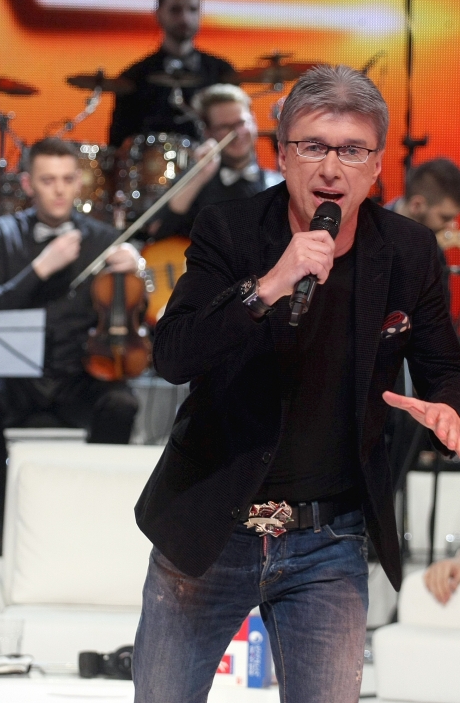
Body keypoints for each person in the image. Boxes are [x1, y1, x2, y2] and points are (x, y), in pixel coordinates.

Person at [133, 65, 460, 703]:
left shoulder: (411, 251)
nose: (331, 168)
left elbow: (445, 367)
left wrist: (448, 408)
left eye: (352, 150)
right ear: (282, 154)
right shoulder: (229, 230)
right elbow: (173, 355)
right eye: (313, 146)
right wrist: (267, 286)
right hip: (213, 526)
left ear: (377, 165)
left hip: (327, 540)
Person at [0, 137, 141, 556]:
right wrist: (39, 269)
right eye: (47, 180)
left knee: (121, 402)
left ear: (78, 181)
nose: (59, 190)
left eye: (66, 179)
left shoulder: (103, 238)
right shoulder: (2, 235)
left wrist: (137, 270)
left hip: (77, 375)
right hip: (16, 379)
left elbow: (132, 311)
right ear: (28, 184)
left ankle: (93, 518)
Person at [108, 0, 234, 147]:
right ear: (158, 14)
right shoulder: (134, 77)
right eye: (175, 10)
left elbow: (235, 133)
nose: (185, 18)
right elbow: (118, 143)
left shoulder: (222, 72)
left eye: (192, 9)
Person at [148, 83, 283, 240]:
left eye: (241, 123)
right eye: (224, 127)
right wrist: (199, 178)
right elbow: (156, 229)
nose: (236, 133)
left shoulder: (277, 183)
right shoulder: (197, 180)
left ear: (254, 121)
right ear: (208, 133)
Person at [385, 157, 460, 308]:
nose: (451, 225)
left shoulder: (434, 250)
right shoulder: (366, 237)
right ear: (416, 205)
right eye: (445, 217)